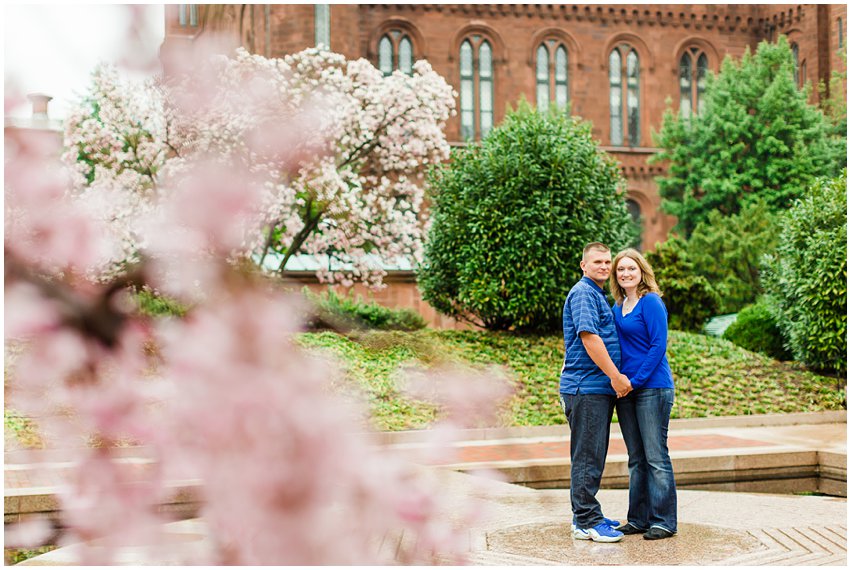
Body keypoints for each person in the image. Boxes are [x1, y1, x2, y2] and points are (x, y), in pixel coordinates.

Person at [560, 242, 633, 543]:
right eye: (597, 262)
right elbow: (589, 338)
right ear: (583, 265)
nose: (604, 266)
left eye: (607, 262)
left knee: (592, 454)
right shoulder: (583, 293)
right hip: (586, 388)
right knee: (587, 456)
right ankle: (586, 521)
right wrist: (616, 377)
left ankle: (587, 514)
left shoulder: (595, 294)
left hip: (595, 389)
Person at [609, 248, 677, 540]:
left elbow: (657, 347)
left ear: (641, 271)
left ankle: (664, 521)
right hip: (626, 390)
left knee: (655, 456)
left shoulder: (651, 302)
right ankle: (637, 519)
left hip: (652, 387)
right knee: (636, 458)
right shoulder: (617, 306)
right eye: (620, 270)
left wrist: (633, 381)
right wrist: (618, 382)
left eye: (631, 269)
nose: (626, 273)